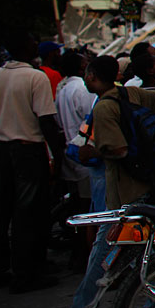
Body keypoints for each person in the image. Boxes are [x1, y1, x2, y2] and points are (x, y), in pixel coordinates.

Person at [58, 55, 155, 308]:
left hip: (123, 192)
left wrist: (93, 150)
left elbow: (119, 149)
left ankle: (83, 307)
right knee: (145, 249)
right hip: (147, 184)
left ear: (91, 76)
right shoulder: (132, 94)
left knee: (107, 248)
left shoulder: (104, 109)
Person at [0, 32, 64, 293]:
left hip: (0, 148)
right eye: (32, 42)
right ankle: (25, 273)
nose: (36, 45)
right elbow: (45, 120)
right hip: (27, 149)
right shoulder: (35, 77)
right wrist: (58, 155)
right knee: (28, 212)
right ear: (26, 48)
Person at [55, 50, 95, 272]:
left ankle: (79, 253)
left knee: (79, 207)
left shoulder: (63, 89)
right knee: (89, 211)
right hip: (83, 158)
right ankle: (87, 257)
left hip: (71, 155)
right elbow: (91, 118)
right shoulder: (81, 89)